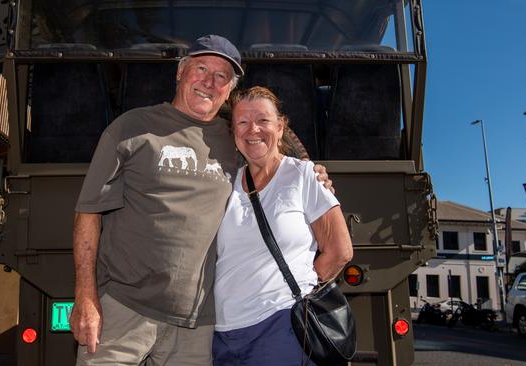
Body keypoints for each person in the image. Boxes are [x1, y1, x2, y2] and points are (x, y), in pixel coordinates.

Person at [71, 35, 331, 366]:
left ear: (228, 89)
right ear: (180, 72)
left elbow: (276, 164)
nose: (209, 81)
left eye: (221, 75)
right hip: (123, 311)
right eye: (201, 68)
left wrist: (313, 174)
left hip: (197, 328)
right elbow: (87, 214)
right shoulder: (131, 128)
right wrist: (86, 298)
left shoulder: (235, 140)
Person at [212, 86, 353, 365]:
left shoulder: (303, 175)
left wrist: (300, 291)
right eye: (242, 122)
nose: (253, 129)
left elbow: (340, 251)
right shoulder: (225, 182)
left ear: (280, 126)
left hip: (282, 326)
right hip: (224, 333)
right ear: (234, 131)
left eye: (263, 120)